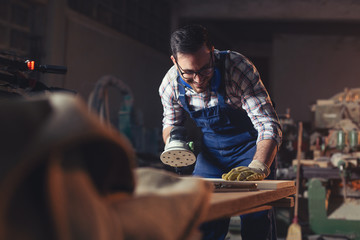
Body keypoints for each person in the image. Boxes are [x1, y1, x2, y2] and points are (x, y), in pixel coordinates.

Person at [158, 24, 282, 240]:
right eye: (188, 72)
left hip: (250, 150)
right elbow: (170, 123)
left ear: (212, 52)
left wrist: (259, 165)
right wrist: (174, 143)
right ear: (174, 61)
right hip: (211, 154)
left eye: (205, 69)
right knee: (204, 221)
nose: (198, 79)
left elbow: (267, 123)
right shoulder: (170, 84)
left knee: (256, 220)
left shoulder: (237, 68)